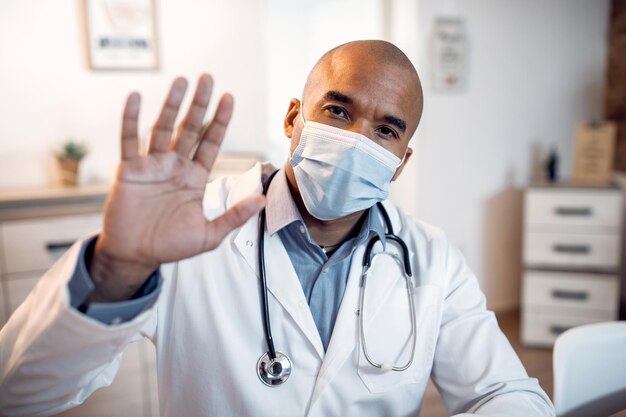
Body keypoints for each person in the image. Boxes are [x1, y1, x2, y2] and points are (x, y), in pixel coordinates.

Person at [0, 40, 554, 417]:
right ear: (294, 119)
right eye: (338, 112)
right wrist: (118, 271)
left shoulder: (431, 258)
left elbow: (504, 392)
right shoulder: (194, 228)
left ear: (401, 160)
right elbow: (18, 391)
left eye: (385, 130)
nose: (358, 139)